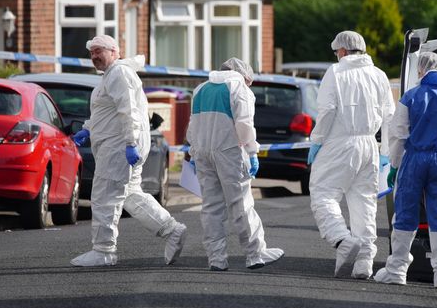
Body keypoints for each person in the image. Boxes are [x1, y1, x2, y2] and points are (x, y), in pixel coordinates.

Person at [71, 35, 187, 267]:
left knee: (105, 196)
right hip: (118, 146)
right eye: (92, 52)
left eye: (99, 51)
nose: (94, 56)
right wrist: (88, 129)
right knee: (130, 195)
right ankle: (171, 230)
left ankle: (104, 250)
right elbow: (108, 112)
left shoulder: (118, 74)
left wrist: (131, 142)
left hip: (118, 148)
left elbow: (128, 111)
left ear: (115, 52)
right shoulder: (111, 76)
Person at [374, 52, 437, 290]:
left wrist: (394, 166)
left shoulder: (410, 97)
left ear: (421, 70)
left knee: (405, 214)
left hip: (414, 159)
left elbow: (397, 135)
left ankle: (397, 270)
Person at [307, 31, 395, 279]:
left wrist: (317, 141)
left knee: (323, 194)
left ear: (343, 51)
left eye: (337, 53)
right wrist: (386, 152)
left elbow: (327, 110)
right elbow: (390, 117)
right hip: (369, 146)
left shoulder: (335, 73)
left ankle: (341, 239)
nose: (337, 57)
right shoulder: (379, 75)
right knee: (364, 203)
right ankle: (364, 262)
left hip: (339, 143)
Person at [186, 57, 284, 271]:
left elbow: (192, 125)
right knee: (241, 204)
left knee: (211, 207)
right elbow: (245, 124)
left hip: (203, 152)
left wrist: (193, 153)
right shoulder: (238, 87)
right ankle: (255, 255)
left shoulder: (201, 88)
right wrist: (252, 151)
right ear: (246, 77)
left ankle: (216, 259)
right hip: (229, 151)